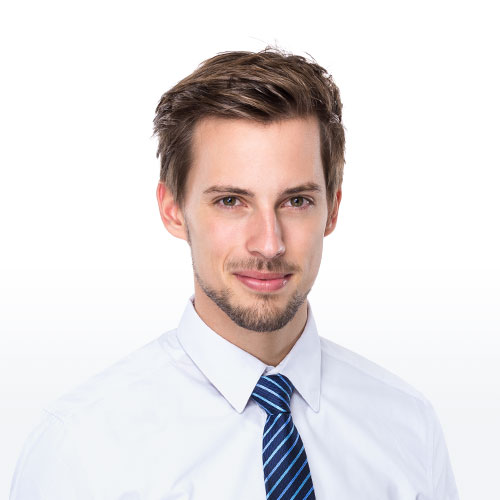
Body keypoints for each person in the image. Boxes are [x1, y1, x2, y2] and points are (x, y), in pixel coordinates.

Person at [10, 48, 459, 500]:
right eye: (230, 201)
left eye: (296, 201)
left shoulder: (408, 428)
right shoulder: (81, 449)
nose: (269, 244)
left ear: (332, 209)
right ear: (173, 210)